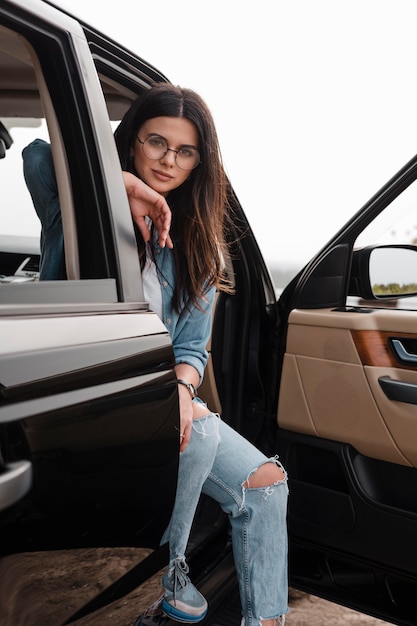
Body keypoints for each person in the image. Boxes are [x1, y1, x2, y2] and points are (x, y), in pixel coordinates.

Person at [22, 83, 289, 626]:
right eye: (156, 143)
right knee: (202, 432)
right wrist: (119, 184)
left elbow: (191, 347)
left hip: (152, 395)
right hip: (81, 391)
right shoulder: (79, 204)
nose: (169, 160)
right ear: (132, 142)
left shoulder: (198, 244)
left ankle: (265, 621)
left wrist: (184, 388)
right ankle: (171, 573)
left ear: (200, 161)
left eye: (185, 151)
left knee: (266, 483)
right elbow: (38, 156)